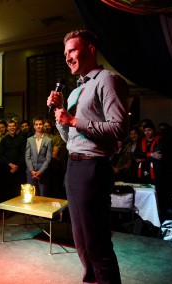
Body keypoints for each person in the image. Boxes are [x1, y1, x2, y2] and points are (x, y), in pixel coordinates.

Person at [47, 29, 128, 284]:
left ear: (91, 49)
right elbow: (68, 137)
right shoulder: (73, 92)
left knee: (97, 243)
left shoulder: (107, 80)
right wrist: (61, 112)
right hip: (73, 167)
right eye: (65, 53)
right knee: (80, 241)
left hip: (93, 168)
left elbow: (119, 129)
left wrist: (73, 119)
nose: (67, 57)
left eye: (72, 50)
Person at [0, 119, 26, 202]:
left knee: (18, 189)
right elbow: (1, 155)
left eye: (13, 126)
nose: (12, 128)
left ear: (16, 127)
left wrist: (17, 166)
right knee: (7, 189)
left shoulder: (21, 139)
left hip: (19, 169)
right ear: (7, 128)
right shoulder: (3, 140)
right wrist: (10, 165)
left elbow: (23, 154)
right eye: (10, 126)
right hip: (7, 169)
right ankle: (8, 210)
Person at [25, 116, 53, 196]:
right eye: (36, 124)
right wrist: (32, 171)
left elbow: (48, 158)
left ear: (43, 125)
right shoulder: (29, 140)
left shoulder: (48, 140)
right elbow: (27, 157)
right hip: (31, 172)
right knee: (31, 195)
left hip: (43, 172)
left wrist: (40, 172)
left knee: (43, 195)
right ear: (34, 126)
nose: (38, 126)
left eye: (40, 124)